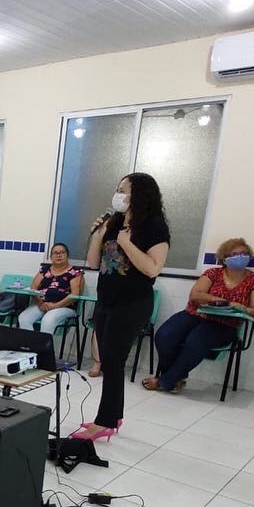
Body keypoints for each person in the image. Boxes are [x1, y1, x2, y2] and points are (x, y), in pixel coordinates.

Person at [74, 173, 171, 442]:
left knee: (114, 362)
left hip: (132, 304)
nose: (118, 195)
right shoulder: (114, 222)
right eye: (117, 190)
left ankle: (105, 421)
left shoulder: (154, 227)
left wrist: (127, 243)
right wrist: (99, 234)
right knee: (107, 359)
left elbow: (153, 268)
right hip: (107, 299)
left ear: (140, 195)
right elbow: (94, 263)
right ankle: (113, 416)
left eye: (123, 191)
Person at [143, 237, 254, 393]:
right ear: (224, 258)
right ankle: (177, 378)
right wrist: (223, 302)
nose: (240, 257)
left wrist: (238, 307)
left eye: (244, 253)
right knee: (165, 335)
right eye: (235, 254)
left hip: (225, 324)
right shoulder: (213, 273)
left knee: (195, 341)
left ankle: (165, 381)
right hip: (195, 314)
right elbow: (195, 295)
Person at [17, 243, 84, 338]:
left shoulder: (75, 272)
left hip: (65, 307)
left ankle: (43, 351)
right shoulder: (44, 270)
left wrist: (55, 306)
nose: (59, 255)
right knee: (24, 318)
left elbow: (75, 295)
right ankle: (30, 349)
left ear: (67, 255)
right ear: (51, 256)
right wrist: (40, 303)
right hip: (43, 304)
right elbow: (33, 288)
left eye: (62, 252)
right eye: (55, 253)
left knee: (48, 320)